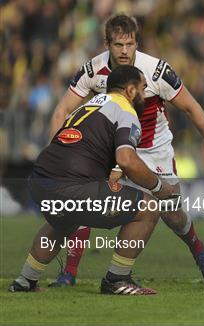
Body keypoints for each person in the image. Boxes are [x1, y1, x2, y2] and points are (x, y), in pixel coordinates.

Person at [47, 14, 204, 286]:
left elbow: (192, 107)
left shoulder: (156, 71)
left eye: (130, 44)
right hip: (111, 151)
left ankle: (198, 249)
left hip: (152, 150)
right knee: (83, 204)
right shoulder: (93, 70)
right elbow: (62, 109)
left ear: (137, 43)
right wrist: (57, 153)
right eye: (118, 45)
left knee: (171, 213)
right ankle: (69, 273)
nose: (124, 51)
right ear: (107, 43)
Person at [10, 65, 174, 295]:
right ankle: (117, 280)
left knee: (63, 221)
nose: (145, 95)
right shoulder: (125, 110)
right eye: (142, 88)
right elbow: (126, 159)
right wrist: (159, 186)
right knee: (148, 208)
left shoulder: (89, 105)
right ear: (129, 90)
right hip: (71, 185)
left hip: (40, 182)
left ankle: (25, 281)